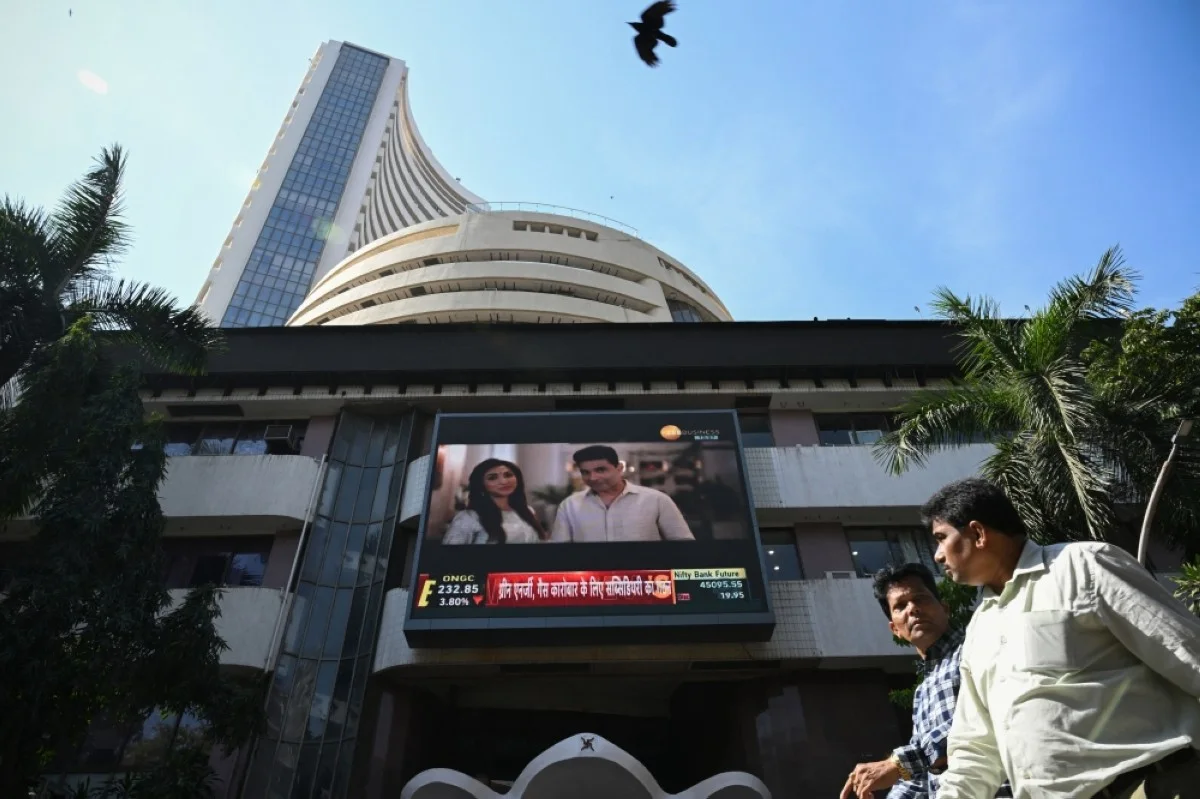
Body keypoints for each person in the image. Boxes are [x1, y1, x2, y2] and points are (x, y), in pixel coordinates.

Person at [924, 478, 1200, 799]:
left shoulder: (1084, 567)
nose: (938, 556)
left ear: (977, 533)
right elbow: (975, 748)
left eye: (941, 539)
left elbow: (1184, 650)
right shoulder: (978, 631)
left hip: (1153, 785)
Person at [841, 563, 1011, 799]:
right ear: (895, 629)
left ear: (945, 608)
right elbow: (924, 777)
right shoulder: (922, 691)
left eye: (920, 599)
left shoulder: (977, 647)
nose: (913, 609)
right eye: (900, 606)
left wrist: (898, 763)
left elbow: (984, 722)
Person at [551, 445, 694, 542]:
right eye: (585, 472)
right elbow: (559, 552)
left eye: (601, 470)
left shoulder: (657, 500)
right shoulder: (569, 506)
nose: (593, 478)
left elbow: (683, 543)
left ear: (619, 468)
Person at [441, 459, 547, 544]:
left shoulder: (528, 511)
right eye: (492, 478)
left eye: (508, 475)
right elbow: (450, 555)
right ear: (481, 485)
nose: (504, 481)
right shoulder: (469, 517)